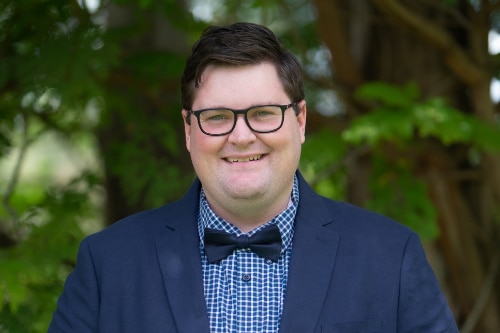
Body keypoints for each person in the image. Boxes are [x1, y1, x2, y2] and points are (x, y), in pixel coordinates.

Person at [48, 22, 459, 333]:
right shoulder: (107, 264)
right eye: (217, 117)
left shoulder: (393, 256)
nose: (241, 137)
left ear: (299, 120)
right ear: (189, 131)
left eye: (263, 113)